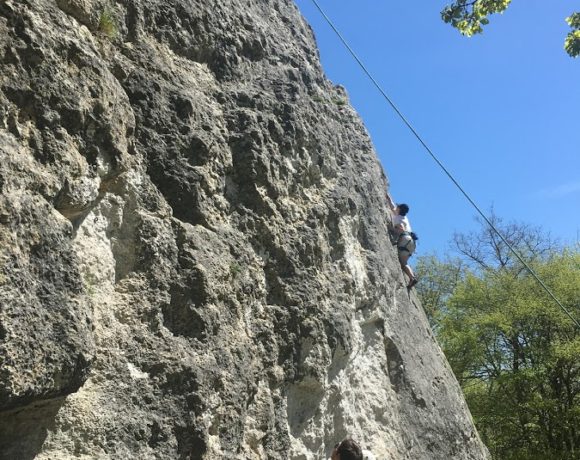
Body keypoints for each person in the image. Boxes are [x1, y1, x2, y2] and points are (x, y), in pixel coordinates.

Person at [386, 192, 418, 288]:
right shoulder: (403, 217)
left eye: (398, 207)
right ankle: (412, 277)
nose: (396, 207)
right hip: (412, 242)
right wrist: (388, 197)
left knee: (402, 263)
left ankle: (412, 278)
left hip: (405, 238)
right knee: (404, 263)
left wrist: (391, 229)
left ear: (399, 209)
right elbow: (392, 206)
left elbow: (401, 230)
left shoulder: (398, 218)